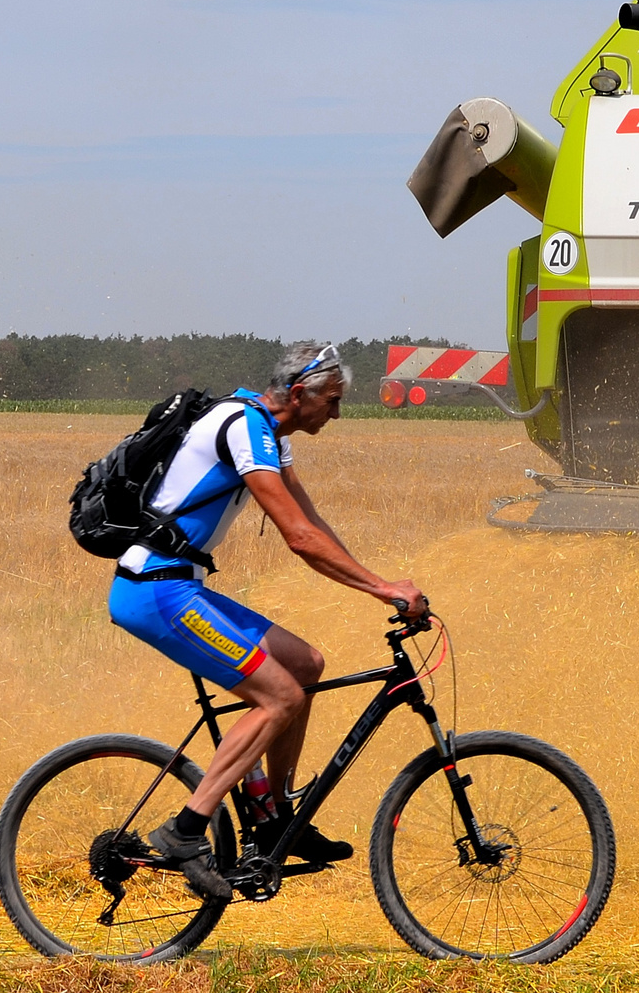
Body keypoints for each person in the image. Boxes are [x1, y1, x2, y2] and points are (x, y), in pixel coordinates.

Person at [108, 342, 426, 901]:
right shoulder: (244, 425)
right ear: (300, 393)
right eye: (333, 400)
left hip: (179, 584)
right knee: (280, 697)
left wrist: (379, 585)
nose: (337, 412)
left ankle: (274, 816)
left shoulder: (267, 433)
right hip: (155, 590)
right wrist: (383, 589)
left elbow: (312, 521)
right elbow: (299, 539)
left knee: (305, 665)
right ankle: (185, 831)